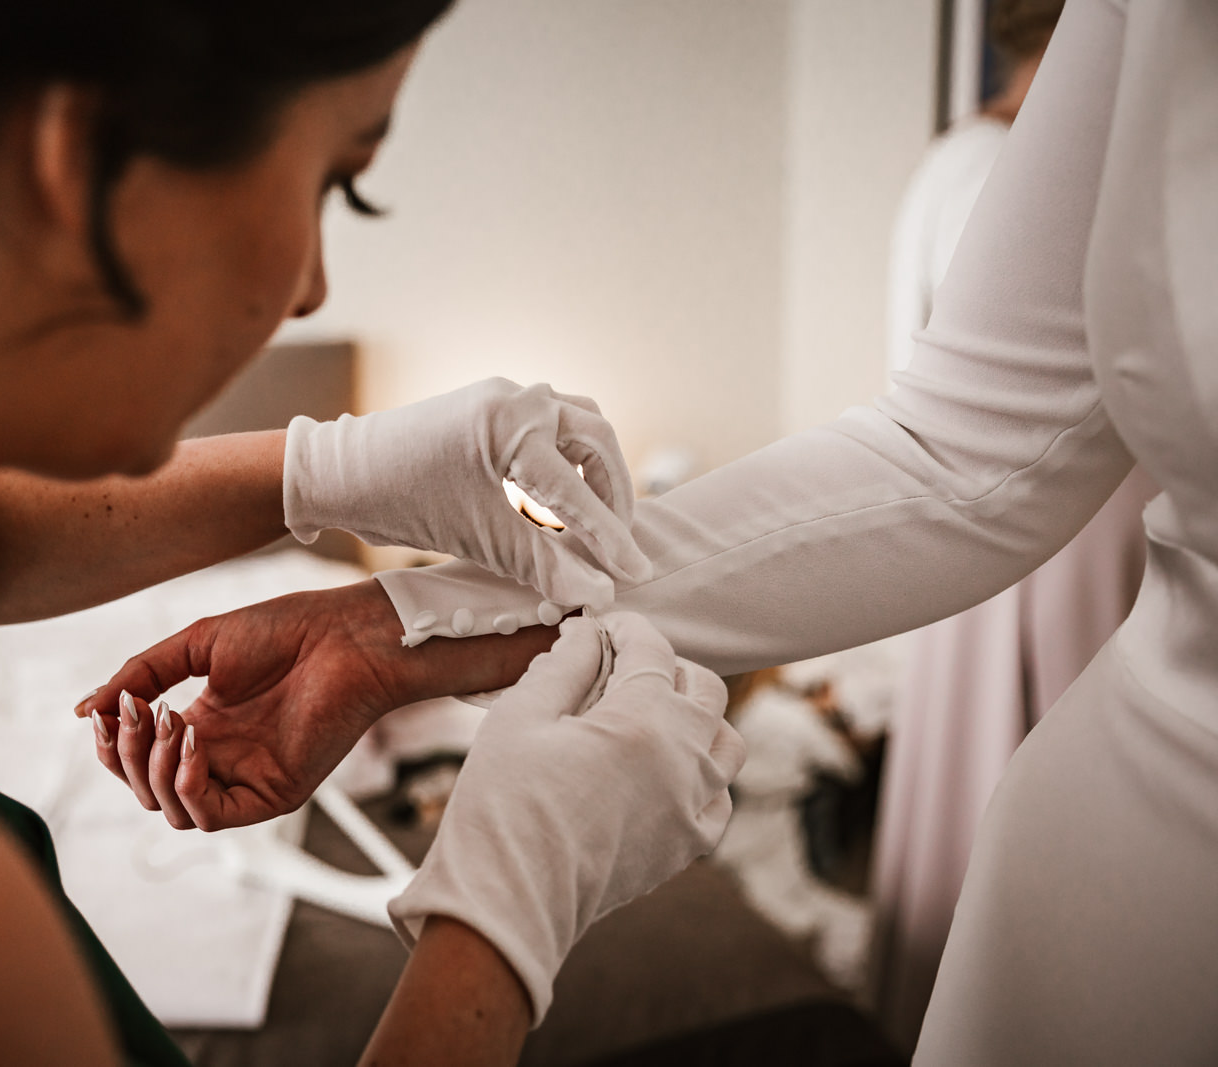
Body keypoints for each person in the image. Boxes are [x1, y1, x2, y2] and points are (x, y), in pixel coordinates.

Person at [0, 3, 744, 1064]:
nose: (310, 288)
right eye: (334, 186)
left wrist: (330, 470)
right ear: (89, 160)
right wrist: (507, 901)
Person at [98, 0, 1218, 1060]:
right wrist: (393, 621)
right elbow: (960, 455)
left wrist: (386, 606)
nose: (311, 289)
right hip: (1125, 858)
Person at [871, 0, 1158, 1047]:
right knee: (1038, 787)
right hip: (1050, 531)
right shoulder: (1015, 168)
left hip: (984, 523)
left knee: (976, 769)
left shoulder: (949, 160)